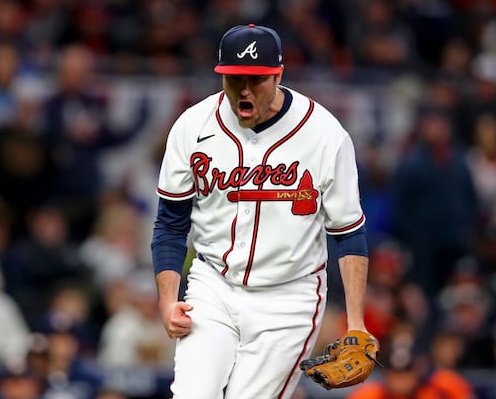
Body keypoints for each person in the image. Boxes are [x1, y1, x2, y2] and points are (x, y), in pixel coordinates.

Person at [151, 24, 372, 398]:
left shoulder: (324, 135)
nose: (245, 90)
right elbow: (170, 224)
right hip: (214, 285)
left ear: (278, 75)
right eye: (235, 79)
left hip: (289, 296)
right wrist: (168, 300)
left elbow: (348, 232)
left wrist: (356, 322)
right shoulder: (192, 126)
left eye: (256, 79)